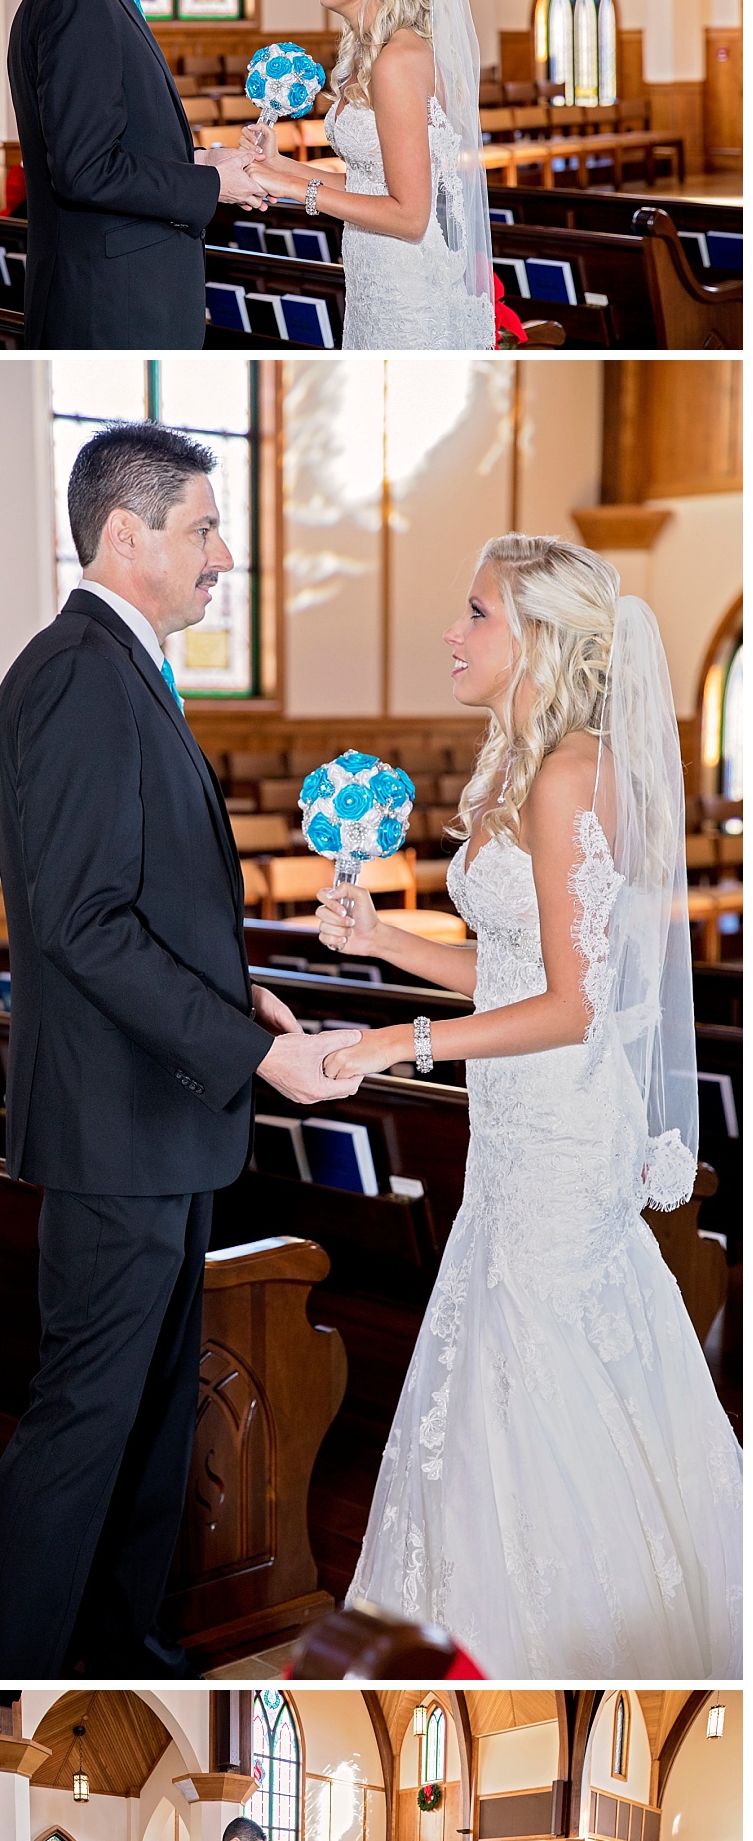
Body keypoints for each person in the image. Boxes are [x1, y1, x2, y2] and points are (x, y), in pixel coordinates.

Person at [0, 422, 363, 1682]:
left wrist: (255, 1004)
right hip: (123, 1124)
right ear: (124, 536)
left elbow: (147, 903)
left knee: (142, 1421)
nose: (222, 555)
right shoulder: (79, 673)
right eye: (202, 528)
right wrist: (250, 1050)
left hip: (154, 1114)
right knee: (87, 1422)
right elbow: (84, 925)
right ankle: (8, 1676)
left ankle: (119, 1645)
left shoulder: (111, 667)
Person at [318, 536, 742, 1681]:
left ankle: (566, 1636)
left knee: (545, 1372)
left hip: (559, 1133)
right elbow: (512, 973)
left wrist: (388, 1044)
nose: (453, 634)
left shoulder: (571, 771)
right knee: (491, 1371)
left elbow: (570, 1008)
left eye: (476, 613)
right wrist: (385, 942)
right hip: (510, 1130)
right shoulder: (527, 762)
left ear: (541, 640)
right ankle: (478, 1623)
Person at [8, 0, 265, 349]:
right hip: (110, 306)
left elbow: (116, 143)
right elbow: (84, 169)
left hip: (120, 294)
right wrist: (213, 187)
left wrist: (199, 162)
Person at [246, 0, 495, 353]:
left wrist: (289, 189)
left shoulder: (398, 60)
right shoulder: (369, 55)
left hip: (406, 291)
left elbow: (410, 216)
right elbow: (369, 182)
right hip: (372, 283)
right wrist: (279, 164)